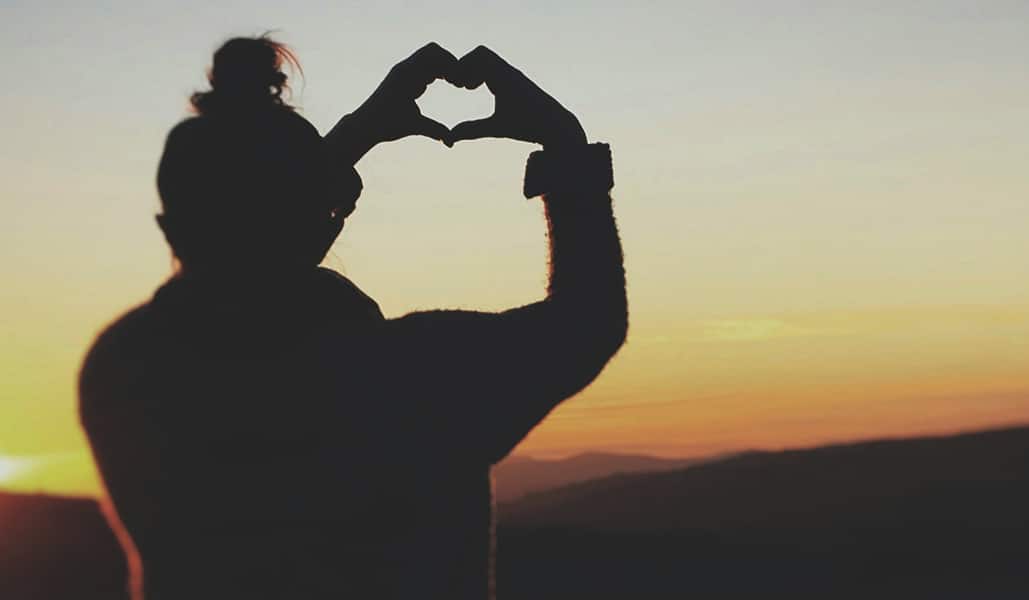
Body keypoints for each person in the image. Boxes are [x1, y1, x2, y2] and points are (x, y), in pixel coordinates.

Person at [78, 36, 626, 599]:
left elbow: (250, 251)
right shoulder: (405, 378)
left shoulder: (124, 369)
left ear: (171, 229)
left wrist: (340, 153)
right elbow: (587, 322)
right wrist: (564, 145)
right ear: (323, 222)